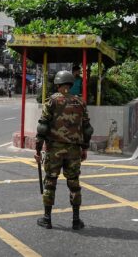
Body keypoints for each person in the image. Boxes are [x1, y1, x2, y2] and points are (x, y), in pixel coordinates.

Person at [34, 70, 92, 230]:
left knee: (50, 182)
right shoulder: (80, 102)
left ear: (58, 84)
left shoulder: (51, 102)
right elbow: (87, 129)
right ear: (70, 84)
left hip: (54, 150)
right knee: (74, 184)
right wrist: (84, 148)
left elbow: (42, 127)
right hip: (74, 151)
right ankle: (76, 220)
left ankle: (47, 218)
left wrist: (38, 151)